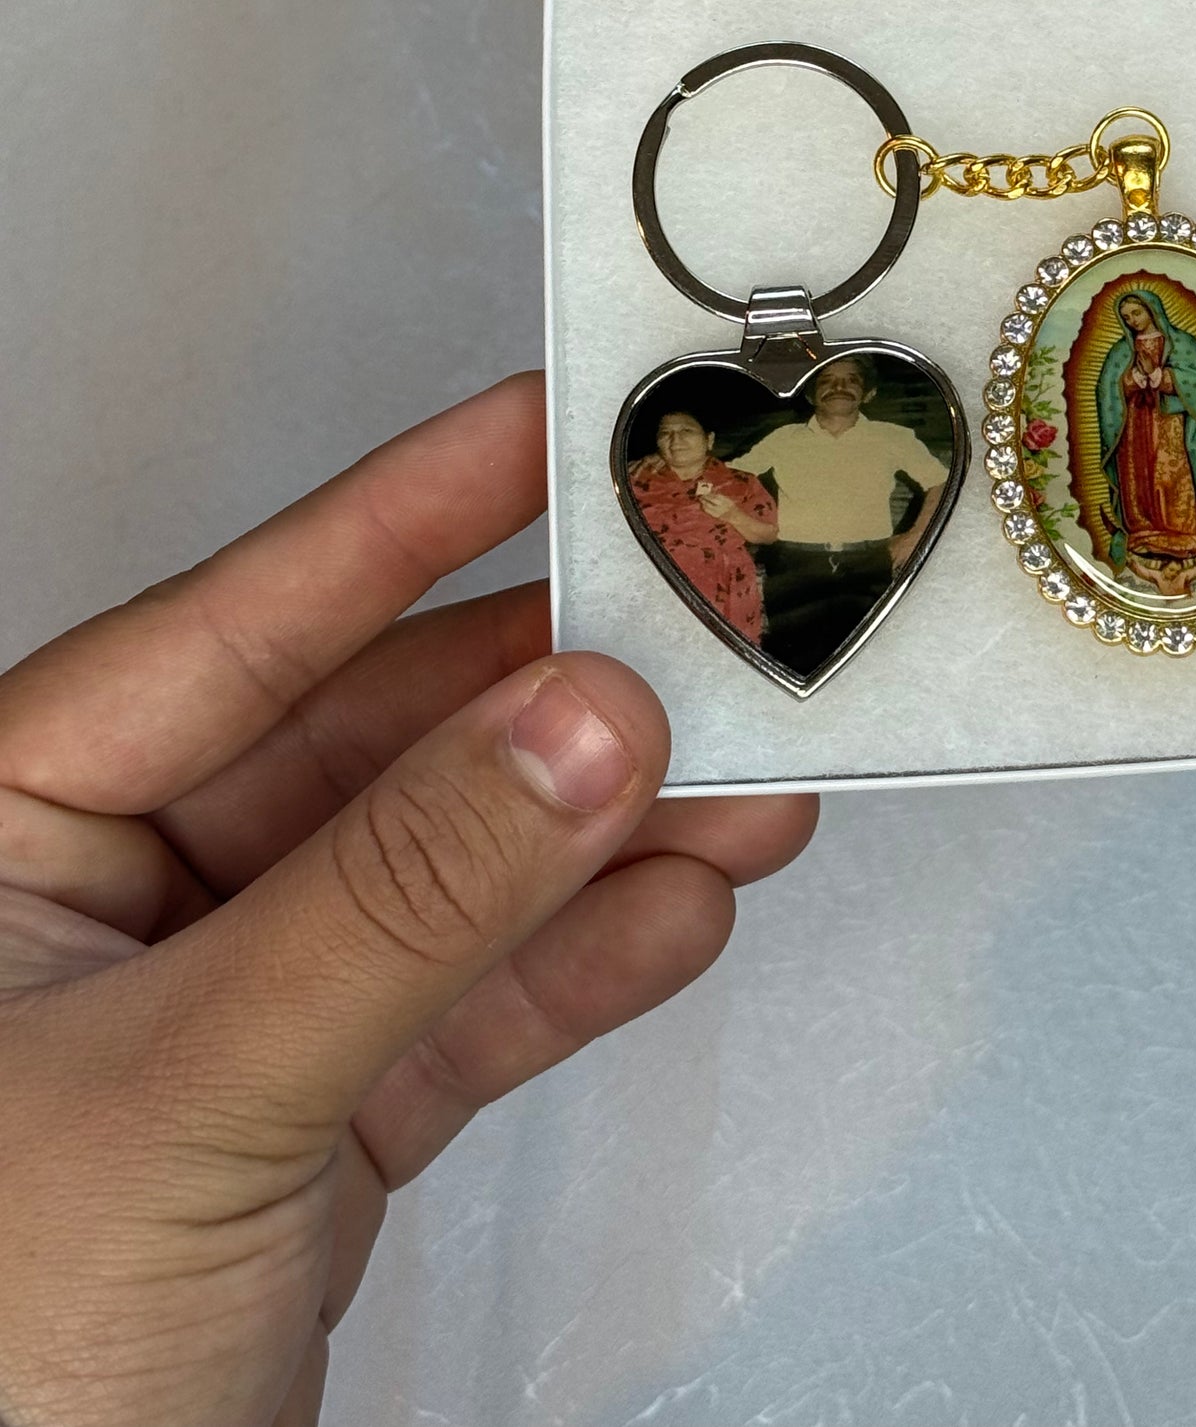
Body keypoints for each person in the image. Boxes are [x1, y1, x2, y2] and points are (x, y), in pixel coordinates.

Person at [0, 374, 817, 1427]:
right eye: (669, 432)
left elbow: (773, 532)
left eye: (690, 429)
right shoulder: (646, 491)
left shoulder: (730, 484)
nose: (681, 441)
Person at [738, 359, 948, 677]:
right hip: (794, 566)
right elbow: (731, 475)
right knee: (796, 663)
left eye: (852, 380)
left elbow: (941, 483)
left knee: (869, 665)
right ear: (810, 394)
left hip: (867, 565)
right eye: (827, 380)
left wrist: (915, 536)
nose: (840, 387)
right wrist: (667, 462)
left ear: (868, 393)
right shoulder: (783, 438)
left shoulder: (893, 436)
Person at [1095, 288, 1196, 594]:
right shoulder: (1121, 351)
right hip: (1134, 426)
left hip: (1173, 424)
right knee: (1140, 475)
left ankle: (1185, 533)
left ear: (1152, 309)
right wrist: (1131, 381)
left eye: (1137, 313)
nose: (1133, 321)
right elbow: (1106, 391)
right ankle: (1143, 531)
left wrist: (1165, 377)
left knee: (1173, 473)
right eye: (1126, 317)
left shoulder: (1184, 344)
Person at [626, 405, 777, 645]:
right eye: (665, 433)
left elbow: (768, 535)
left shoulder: (741, 482)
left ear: (709, 439)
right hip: (657, 588)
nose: (676, 440)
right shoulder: (633, 480)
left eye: (686, 430)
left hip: (725, 590)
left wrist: (733, 515)